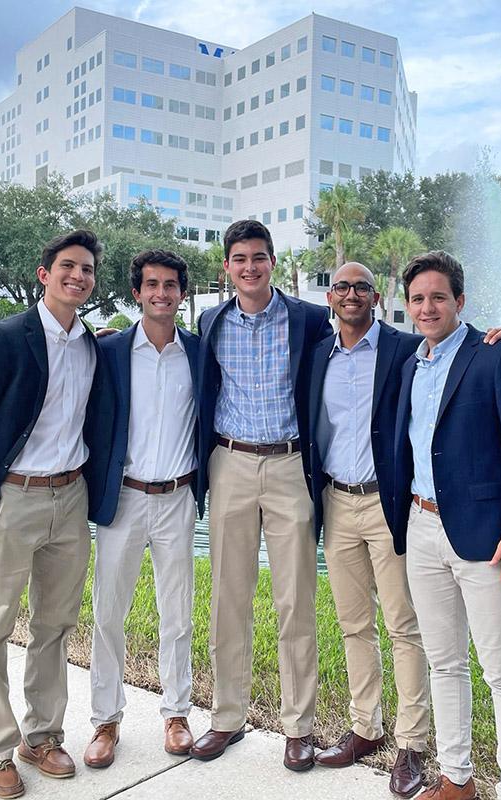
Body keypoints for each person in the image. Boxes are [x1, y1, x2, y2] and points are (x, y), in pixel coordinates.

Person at [307, 262, 501, 797]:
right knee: (356, 624)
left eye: (437, 298)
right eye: (342, 287)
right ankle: (368, 729)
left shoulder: (403, 349)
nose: (427, 307)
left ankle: (413, 745)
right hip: (342, 502)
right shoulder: (322, 354)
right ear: (330, 297)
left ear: (377, 299)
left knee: (409, 629)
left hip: (393, 507)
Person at [0, 230, 110, 799]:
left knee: (55, 626)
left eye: (86, 270)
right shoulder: (5, 336)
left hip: (72, 497)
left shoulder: (91, 344)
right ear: (44, 274)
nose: (77, 277)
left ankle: (41, 736)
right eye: (67, 266)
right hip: (12, 499)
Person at [391, 251, 501, 800]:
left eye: (438, 296)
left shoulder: (497, 356)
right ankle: (456, 780)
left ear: (460, 301)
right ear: (407, 306)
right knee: (444, 664)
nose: (427, 307)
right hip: (422, 526)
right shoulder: (412, 364)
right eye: (418, 298)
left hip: (488, 538)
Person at [187, 219, 332, 771]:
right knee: (229, 595)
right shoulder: (210, 319)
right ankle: (228, 717)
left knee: (295, 598)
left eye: (259, 257)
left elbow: (369, 342)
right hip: (230, 464)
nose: (249, 267)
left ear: (273, 262)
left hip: (292, 464)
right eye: (240, 258)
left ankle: (300, 726)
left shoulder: (309, 318)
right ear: (226, 266)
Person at [81, 249, 203, 768]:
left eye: (170, 285)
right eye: (151, 285)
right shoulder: (110, 351)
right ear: (136, 293)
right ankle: (105, 722)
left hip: (178, 497)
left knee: (177, 613)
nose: (160, 293)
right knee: (110, 611)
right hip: (124, 498)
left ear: (182, 293)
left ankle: (176, 714)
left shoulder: (199, 352)